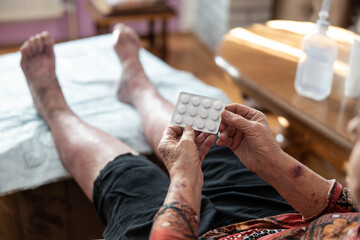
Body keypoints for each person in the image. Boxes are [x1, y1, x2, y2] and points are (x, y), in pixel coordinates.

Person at [19, 24, 359, 240]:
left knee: (126, 177)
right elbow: (344, 218)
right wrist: (271, 162)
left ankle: (53, 107)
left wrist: (185, 178)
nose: (355, 127)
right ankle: (138, 85)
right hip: (282, 221)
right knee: (212, 141)